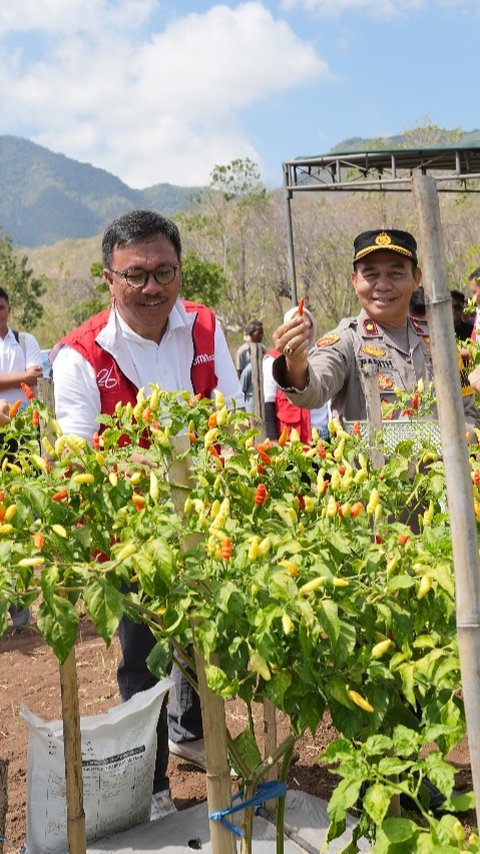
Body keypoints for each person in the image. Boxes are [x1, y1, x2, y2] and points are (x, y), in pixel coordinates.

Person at [51, 209, 243, 820]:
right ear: (109, 279)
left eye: (165, 271)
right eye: (136, 275)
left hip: (207, 521)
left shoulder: (206, 330)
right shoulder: (80, 355)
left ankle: (194, 736)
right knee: (142, 656)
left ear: (180, 270)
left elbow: (232, 425)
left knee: (206, 642)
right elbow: (80, 459)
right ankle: (154, 784)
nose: (153, 287)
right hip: (134, 537)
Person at [271, 228, 480, 431]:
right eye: (371, 275)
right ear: (354, 281)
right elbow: (313, 392)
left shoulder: (441, 343)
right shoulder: (346, 341)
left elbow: (467, 411)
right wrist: (296, 364)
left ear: (416, 279)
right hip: (369, 467)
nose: (382, 285)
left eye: (395, 273)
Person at [0, 285, 43, 627]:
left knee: (24, 504)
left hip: (24, 429)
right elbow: (25, 376)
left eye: (1, 307)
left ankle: (21, 604)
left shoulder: (23, 339)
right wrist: (18, 380)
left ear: (9, 309)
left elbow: (36, 376)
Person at [264, 306, 330, 441]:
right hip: (292, 440)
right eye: (297, 325)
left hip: (323, 436)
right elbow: (268, 402)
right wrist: (273, 439)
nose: (304, 329)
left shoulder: (324, 355)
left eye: (308, 324)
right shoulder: (272, 360)